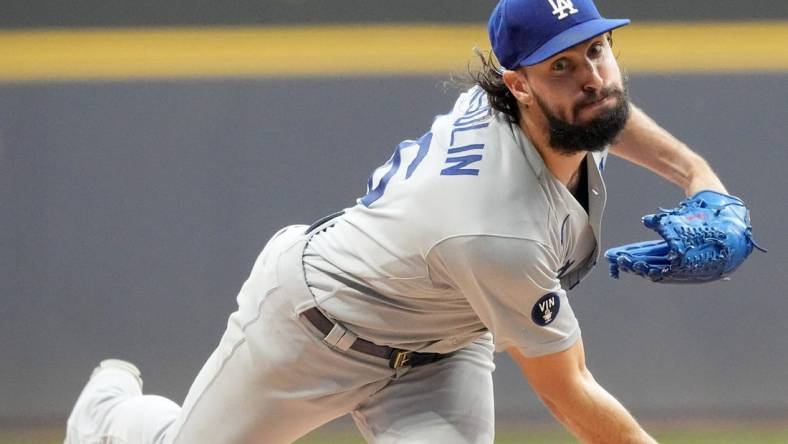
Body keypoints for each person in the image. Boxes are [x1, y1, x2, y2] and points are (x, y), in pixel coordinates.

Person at [65, 0, 735, 442]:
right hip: (313, 330)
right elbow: (570, 394)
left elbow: (607, 114)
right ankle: (110, 414)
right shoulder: (495, 226)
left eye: (597, 49)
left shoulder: (558, 110)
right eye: (562, 63)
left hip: (440, 346)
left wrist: (697, 176)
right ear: (518, 84)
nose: (591, 76)